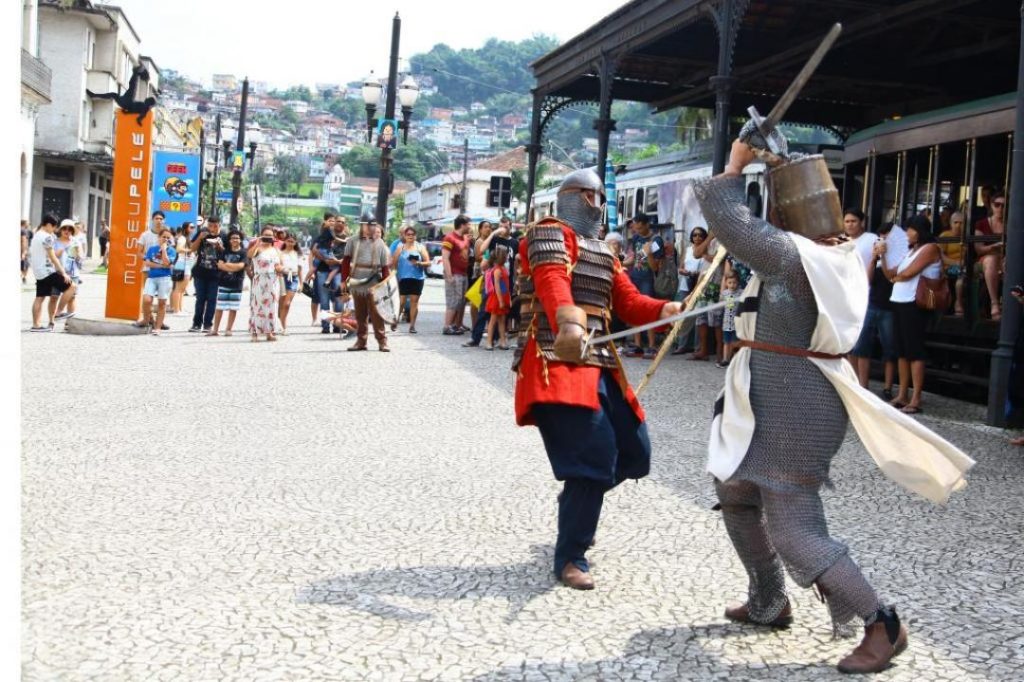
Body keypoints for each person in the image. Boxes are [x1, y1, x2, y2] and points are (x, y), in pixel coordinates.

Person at [693, 134, 971, 674]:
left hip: (798, 403)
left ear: (786, 210)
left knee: (795, 529)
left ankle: (882, 623)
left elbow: (731, 223)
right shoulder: (822, 256)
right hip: (773, 393)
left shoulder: (799, 257)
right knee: (735, 489)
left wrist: (735, 165)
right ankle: (768, 599)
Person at [513, 169, 682, 591]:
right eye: (592, 196)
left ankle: (577, 498)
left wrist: (663, 310)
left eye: (599, 197)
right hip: (560, 357)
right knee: (593, 459)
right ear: (574, 197)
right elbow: (552, 281)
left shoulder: (604, 251)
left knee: (634, 453)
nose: (597, 203)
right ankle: (571, 554)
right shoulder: (549, 232)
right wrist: (569, 321)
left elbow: (627, 301)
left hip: (601, 361)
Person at [882, 214, 942, 414]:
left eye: (910, 229)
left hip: (914, 302)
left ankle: (916, 397)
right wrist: (882, 255)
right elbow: (890, 273)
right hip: (899, 301)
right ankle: (902, 394)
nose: (907, 233)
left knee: (914, 350)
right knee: (901, 350)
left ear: (920, 230)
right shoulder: (909, 251)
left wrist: (896, 277)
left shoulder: (930, 248)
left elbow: (908, 274)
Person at [340, 213, 391, 352]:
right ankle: (361, 341)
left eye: (373, 225)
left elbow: (385, 267)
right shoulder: (352, 241)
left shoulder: (380, 243)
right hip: (357, 278)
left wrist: (385, 284)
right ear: (362, 225)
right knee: (360, 314)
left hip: (374, 280)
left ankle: (382, 341)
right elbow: (345, 262)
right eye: (368, 224)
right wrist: (343, 281)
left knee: (377, 313)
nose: (371, 227)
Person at [622, 213, 664, 358]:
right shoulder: (636, 238)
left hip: (648, 279)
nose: (637, 231)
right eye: (636, 228)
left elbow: (656, 268)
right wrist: (620, 263)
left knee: (648, 310)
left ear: (647, 224)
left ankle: (652, 346)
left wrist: (649, 253)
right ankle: (638, 344)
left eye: (640, 228)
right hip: (636, 277)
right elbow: (635, 259)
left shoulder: (656, 240)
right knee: (635, 310)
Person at [28, 215, 74, 331]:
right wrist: (63, 273)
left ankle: (36, 325)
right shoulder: (47, 237)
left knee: (40, 297)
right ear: (48, 225)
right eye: (53, 227)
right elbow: (53, 257)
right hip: (47, 271)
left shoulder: (36, 235)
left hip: (38, 271)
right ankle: (58, 313)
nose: (54, 230)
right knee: (72, 286)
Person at [672, 227, 709, 355]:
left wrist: (697, 273)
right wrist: (684, 272)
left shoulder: (707, 250)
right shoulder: (688, 250)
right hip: (686, 283)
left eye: (700, 235)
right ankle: (682, 345)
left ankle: (698, 347)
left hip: (699, 284)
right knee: (684, 314)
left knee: (699, 316)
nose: (697, 238)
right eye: (695, 235)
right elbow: (680, 267)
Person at [390, 226, 430, 334]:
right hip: (403, 278)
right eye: (408, 234)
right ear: (404, 236)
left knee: (414, 302)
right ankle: (395, 320)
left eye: (412, 234)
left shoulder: (420, 247)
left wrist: (419, 263)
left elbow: (428, 262)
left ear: (415, 236)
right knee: (401, 302)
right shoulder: (400, 248)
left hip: (417, 278)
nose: (410, 236)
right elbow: (393, 264)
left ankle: (412, 326)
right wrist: (394, 276)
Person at [189, 215, 224, 333]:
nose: (212, 228)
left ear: (219, 225)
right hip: (200, 271)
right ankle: (196, 323)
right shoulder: (202, 232)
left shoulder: (224, 236)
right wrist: (199, 238)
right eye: (210, 225)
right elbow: (192, 249)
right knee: (200, 298)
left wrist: (219, 246)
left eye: (215, 226)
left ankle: (208, 324)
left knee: (212, 299)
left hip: (216, 273)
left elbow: (227, 253)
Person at [974, 190, 1005, 320]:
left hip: (1005, 259)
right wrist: (993, 247)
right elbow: (979, 249)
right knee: (991, 260)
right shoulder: (981, 224)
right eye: (997, 205)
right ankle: (994, 303)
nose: (1000, 208)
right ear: (991, 205)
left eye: (1004, 205)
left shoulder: (1012, 224)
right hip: (984, 260)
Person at [208, 230, 246, 336]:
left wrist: (227, 266)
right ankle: (215, 329)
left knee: (233, 308)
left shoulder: (243, 252)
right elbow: (219, 265)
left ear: (241, 240)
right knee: (219, 307)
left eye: (237, 238)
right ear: (229, 240)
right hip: (223, 282)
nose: (235, 240)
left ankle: (228, 329)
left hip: (237, 284)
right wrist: (233, 267)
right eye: (233, 238)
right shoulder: (224, 252)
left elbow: (241, 266)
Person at [248, 226, 283, 342]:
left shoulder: (276, 250)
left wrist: (282, 269)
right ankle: (255, 333)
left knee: (272, 306)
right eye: (265, 236)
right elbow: (249, 255)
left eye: (270, 236)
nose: (268, 238)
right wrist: (257, 242)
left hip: (273, 280)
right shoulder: (257, 248)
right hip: (260, 279)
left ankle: (270, 332)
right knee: (257, 306)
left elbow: (279, 265)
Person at [312, 213, 344, 334]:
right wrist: (325, 259)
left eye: (342, 222)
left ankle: (338, 325)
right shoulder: (324, 235)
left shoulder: (348, 238)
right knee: (324, 300)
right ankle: (325, 326)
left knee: (339, 300)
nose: (339, 223)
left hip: (339, 272)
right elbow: (314, 249)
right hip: (323, 270)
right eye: (337, 221)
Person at [141, 228, 175, 336]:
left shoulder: (171, 251)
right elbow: (147, 263)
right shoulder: (152, 249)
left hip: (165, 278)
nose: (165, 239)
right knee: (147, 300)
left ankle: (158, 327)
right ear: (159, 237)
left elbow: (168, 263)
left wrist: (164, 250)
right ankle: (146, 320)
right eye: (163, 236)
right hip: (152, 277)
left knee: (162, 302)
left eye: (167, 237)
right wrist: (161, 265)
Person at [135, 211, 166, 329]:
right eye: (157, 218)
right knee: (147, 296)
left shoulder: (166, 235)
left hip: (163, 271)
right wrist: (148, 259)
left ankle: (160, 321)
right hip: (148, 269)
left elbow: (172, 250)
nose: (159, 220)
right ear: (152, 220)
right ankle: (148, 319)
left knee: (162, 297)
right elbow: (138, 252)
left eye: (161, 218)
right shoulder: (145, 235)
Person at [442, 215, 472, 335]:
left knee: (460, 300)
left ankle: (455, 324)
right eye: (468, 224)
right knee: (453, 300)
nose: (470, 227)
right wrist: (449, 276)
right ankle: (447, 326)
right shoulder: (449, 238)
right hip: (454, 274)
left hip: (464, 273)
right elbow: (445, 258)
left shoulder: (464, 238)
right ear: (462, 225)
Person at [483, 246, 512, 350]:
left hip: (502, 297)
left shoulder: (502, 268)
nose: (507, 256)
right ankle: (488, 342)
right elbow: (497, 286)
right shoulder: (497, 270)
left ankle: (502, 341)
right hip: (497, 298)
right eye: (506, 254)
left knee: (502, 320)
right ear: (502, 257)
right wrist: (500, 301)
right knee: (493, 320)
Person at [938, 211, 966, 316]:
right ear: (950, 223)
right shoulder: (945, 236)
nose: (958, 225)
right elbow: (940, 256)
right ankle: (958, 303)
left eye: (961, 223)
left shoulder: (968, 238)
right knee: (961, 275)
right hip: (948, 268)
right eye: (956, 222)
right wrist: (957, 263)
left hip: (965, 267)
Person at [278, 232, 302, 335]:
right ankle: (279, 323)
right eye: (288, 240)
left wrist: (301, 283)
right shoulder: (280, 253)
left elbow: (300, 269)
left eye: (292, 241)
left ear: (295, 242)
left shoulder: (298, 254)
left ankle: (284, 327)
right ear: (285, 241)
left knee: (287, 304)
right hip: (282, 278)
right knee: (281, 303)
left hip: (294, 278)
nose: (290, 243)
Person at [170, 222, 194, 315]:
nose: (192, 229)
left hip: (187, 264)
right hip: (181, 264)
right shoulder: (182, 238)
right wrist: (189, 250)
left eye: (193, 227)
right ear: (186, 228)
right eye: (191, 227)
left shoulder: (187, 238)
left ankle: (180, 308)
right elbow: (178, 249)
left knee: (183, 289)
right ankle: (176, 310)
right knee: (178, 288)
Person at [718, 271, 740, 368]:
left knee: (735, 342)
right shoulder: (725, 293)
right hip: (727, 323)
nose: (732, 285)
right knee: (726, 342)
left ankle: (735, 360)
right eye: (730, 282)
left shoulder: (741, 292)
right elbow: (721, 304)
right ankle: (725, 359)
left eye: (734, 282)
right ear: (726, 283)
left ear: (738, 282)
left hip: (736, 323)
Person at [20, 219, 32, 284]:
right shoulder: (23, 231)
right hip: (23, 250)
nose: (29, 223)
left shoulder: (26, 231)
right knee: (25, 264)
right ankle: (23, 277)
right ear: (24, 223)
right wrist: (24, 251)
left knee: (24, 264)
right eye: (27, 223)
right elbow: (24, 241)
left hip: (23, 250)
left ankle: (23, 277)